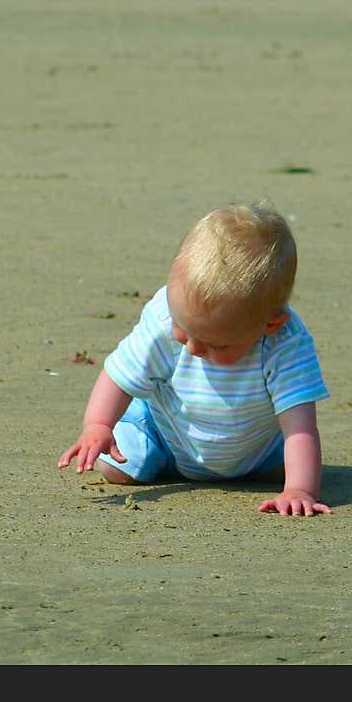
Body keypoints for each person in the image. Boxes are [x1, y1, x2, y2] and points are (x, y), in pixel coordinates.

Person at [58, 203, 331, 516]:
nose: (192, 348)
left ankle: (262, 469)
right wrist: (98, 424)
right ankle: (148, 445)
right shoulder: (164, 321)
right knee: (118, 469)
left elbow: (300, 426)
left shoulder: (285, 345)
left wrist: (299, 489)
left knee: (290, 464)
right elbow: (118, 376)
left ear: (270, 325)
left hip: (254, 445)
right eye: (183, 329)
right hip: (168, 433)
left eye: (216, 344)